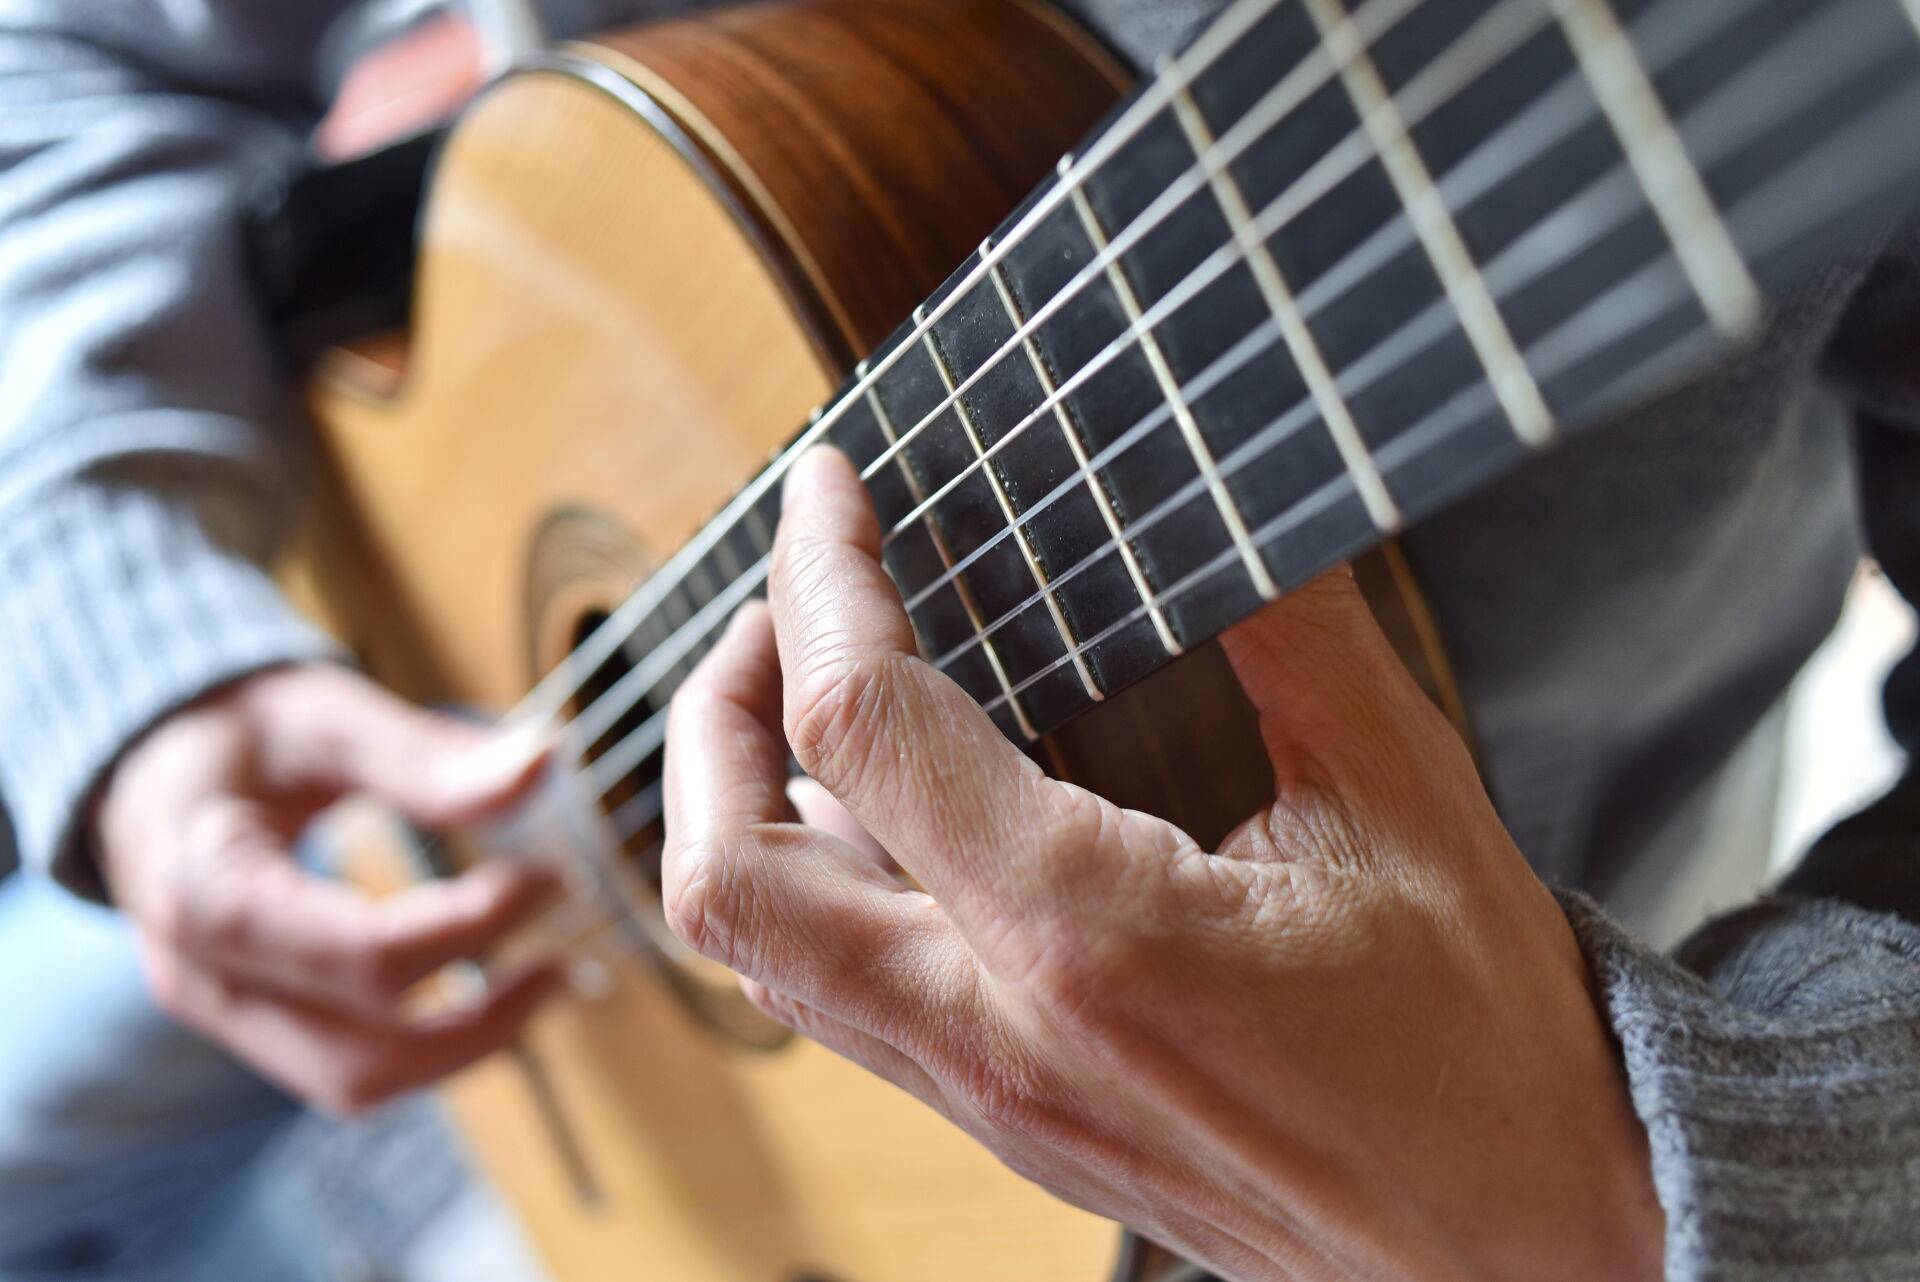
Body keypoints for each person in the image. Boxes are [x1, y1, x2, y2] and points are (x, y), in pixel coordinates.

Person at [2, 0, 1918, 1278]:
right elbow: (78, 45)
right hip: (384, 712)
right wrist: (131, 642)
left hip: (1177, 1188)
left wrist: (1652, 1188)